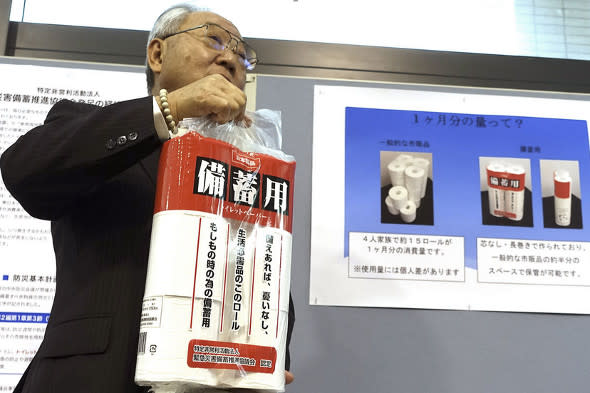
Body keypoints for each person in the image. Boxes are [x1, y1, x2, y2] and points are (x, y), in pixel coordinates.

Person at [0, 4, 294, 393]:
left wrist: (270, 360)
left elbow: (267, 281)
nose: (230, 59)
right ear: (157, 54)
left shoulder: (250, 172)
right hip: (93, 378)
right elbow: (25, 171)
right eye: (214, 39)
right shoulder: (95, 130)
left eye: (242, 54)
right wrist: (171, 109)